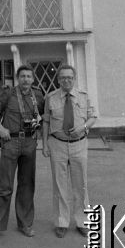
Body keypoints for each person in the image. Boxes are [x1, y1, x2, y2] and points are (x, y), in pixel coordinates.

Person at [0, 64, 44, 245]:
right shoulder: (8, 94)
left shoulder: (39, 95)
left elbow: (44, 115)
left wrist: (39, 129)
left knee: (27, 185)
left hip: (29, 143)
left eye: (29, 76)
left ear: (33, 79)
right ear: (18, 79)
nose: (26, 79)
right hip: (10, 142)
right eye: (23, 76)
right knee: (5, 187)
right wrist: (1, 128)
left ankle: (25, 224)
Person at [42, 64, 97, 238]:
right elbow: (46, 122)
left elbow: (93, 117)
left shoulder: (84, 96)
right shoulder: (50, 97)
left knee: (81, 185)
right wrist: (44, 144)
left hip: (79, 144)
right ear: (58, 80)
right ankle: (61, 222)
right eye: (63, 77)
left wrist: (83, 128)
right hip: (57, 144)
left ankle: (82, 222)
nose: (66, 80)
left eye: (70, 77)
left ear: (74, 79)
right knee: (60, 185)